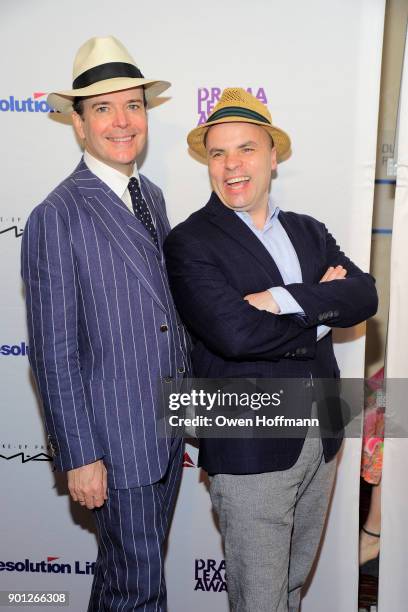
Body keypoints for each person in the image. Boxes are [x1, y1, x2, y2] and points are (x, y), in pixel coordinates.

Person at [164, 88, 378, 612]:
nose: (232, 165)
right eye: (218, 154)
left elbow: (364, 293)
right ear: (208, 163)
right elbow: (234, 335)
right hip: (249, 443)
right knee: (260, 601)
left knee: (290, 591)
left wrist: (282, 299)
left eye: (247, 149)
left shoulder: (308, 230)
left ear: (273, 156)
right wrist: (324, 314)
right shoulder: (190, 241)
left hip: (323, 436)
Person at [21, 36, 189, 611]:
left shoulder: (154, 196)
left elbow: (167, 317)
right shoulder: (56, 215)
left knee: (123, 581)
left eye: (133, 105)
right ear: (78, 123)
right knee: (140, 591)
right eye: (102, 107)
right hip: (113, 447)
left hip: (165, 436)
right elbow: (52, 351)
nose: (122, 121)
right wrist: (79, 454)